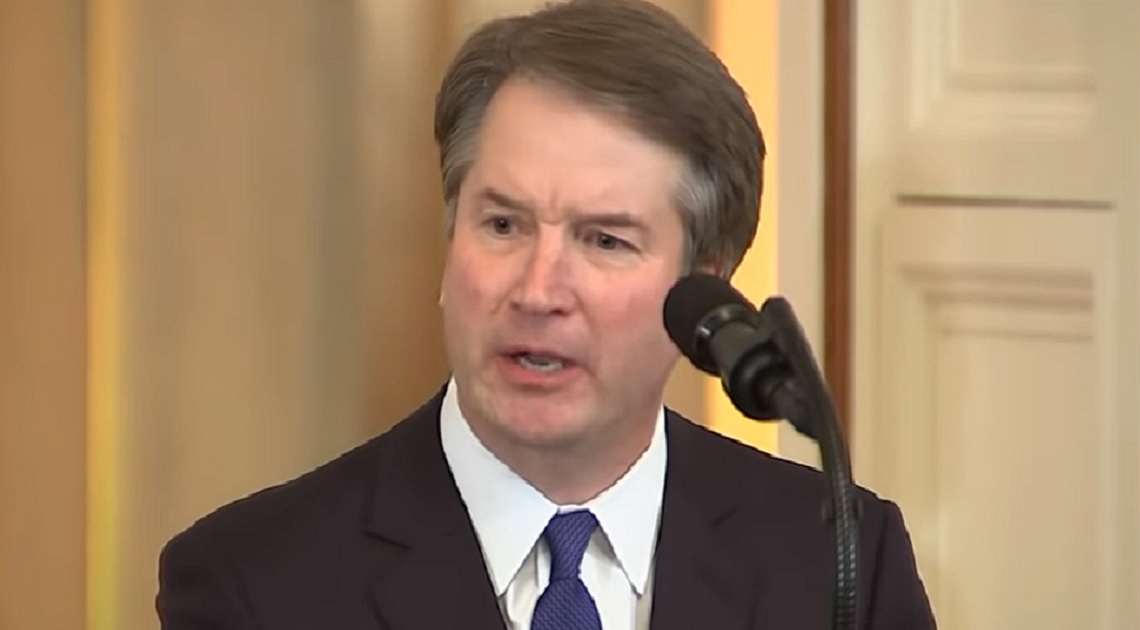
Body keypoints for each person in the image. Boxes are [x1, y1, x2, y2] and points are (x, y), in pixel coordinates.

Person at [155, 1, 936, 628]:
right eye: (503, 225)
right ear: (449, 236)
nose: (538, 289)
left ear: (703, 289)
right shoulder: (253, 586)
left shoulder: (840, 564)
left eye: (604, 240)